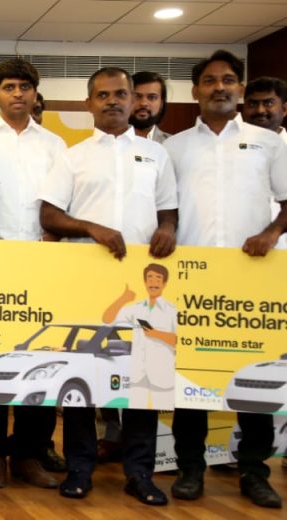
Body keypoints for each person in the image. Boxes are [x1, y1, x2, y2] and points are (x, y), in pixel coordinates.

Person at [38, 66, 177, 506]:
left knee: (143, 380)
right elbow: (49, 216)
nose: (113, 101)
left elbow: (168, 212)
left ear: (134, 99)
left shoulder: (156, 155)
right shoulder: (73, 156)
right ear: (89, 103)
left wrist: (168, 229)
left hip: (143, 285)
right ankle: (79, 467)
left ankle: (140, 473)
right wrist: (90, 227)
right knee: (84, 378)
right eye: (103, 95)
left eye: (120, 93)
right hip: (86, 282)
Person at [164, 50, 286, 509]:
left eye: (229, 80)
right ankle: (190, 469)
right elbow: (165, 210)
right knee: (190, 383)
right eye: (211, 81)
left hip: (251, 280)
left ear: (240, 88)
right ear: (195, 90)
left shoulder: (269, 143)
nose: (220, 87)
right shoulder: (174, 147)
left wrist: (271, 233)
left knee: (253, 382)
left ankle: (254, 472)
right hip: (191, 283)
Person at [0, 58, 65, 490]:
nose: (17, 94)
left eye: (25, 87)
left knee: (41, 361)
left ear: (35, 94)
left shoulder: (55, 144)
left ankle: (29, 453)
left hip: (44, 262)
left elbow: (63, 201)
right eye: (9, 87)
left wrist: (50, 239)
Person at [101, 264, 177, 411]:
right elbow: (107, 319)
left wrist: (156, 334)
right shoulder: (137, 308)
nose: (153, 282)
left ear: (165, 283)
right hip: (137, 375)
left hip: (162, 375)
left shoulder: (172, 311)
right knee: (135, 417)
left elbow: (182, 341)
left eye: (158, 278)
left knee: (162, 410)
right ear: (145, 282)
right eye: (150, 278)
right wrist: (123, 299)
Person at [242, 76, 287, 252]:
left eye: (268, 103)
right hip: (242, 249)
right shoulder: (230, 149)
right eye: (252, 104)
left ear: (284, 109)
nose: (260, 110)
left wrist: (273, 232)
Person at [131, 71, 171, 142]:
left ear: (161, 103)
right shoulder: (112, 141)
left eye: (152, 97)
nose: (143, 103)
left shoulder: (172, 143)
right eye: (137, 96)